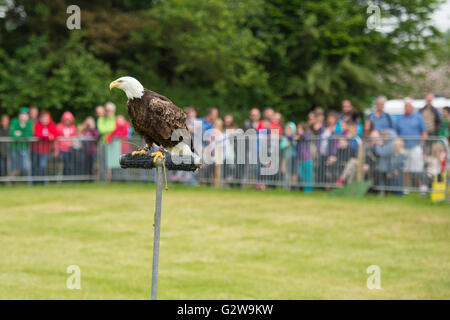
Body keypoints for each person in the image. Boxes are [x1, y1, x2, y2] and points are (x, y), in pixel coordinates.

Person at [395, 98, 427, 194]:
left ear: (412, 107)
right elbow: (397, 134)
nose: (407, 108)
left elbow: (424, 132)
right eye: (405, 106)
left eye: (409, 106)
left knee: (418, 168)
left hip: (415, 146)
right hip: (404, 147)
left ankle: (422, 187)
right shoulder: (400, 118)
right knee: (405, 168)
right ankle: (405, 189)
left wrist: (422, 144)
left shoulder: (418, 117)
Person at [31, 111, 56, 180]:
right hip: (36, 150)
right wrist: (48, 136)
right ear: (40, 119)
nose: (45, 120)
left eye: (46, 119)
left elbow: (55, 134)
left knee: (43, 165)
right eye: (44, 118)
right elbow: (37, 134)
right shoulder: (37, 125)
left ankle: (44, 181)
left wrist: (49, 136)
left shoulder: (52, 125)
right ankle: (35, 181)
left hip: (45, 150)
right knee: (35, 166)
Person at [9, 107, 33, 179]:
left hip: (24, 148)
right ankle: (11, 183)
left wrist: (20, 133)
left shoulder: (29, 123)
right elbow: (13, 134)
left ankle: (27, 182)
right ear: (19, 115)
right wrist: (23, 134)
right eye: (22, 114)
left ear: (28, 116)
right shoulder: (14, 121)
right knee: (13, 166)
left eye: (25, 115)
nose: (23, 116)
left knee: (25, 166)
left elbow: (29, 135)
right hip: (14, 148)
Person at [97, 102, 117, 182]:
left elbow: (112, 128)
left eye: (110, 110)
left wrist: (109, 129)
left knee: (113, 163)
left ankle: (112, 179)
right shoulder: (102, 119)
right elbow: (101, 130)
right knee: (103, 163)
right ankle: (103, 179)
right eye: (107, 110)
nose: (109, 112)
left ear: (114, 111)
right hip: (103, 144)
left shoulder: (116, 119)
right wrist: (111, 129)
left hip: (113, 144)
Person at [55, 111, 76, 176]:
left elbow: (75, 137)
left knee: (69, 163)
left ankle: (69, 177)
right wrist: (56, 150)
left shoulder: (73, 128)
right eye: (66, 120)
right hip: (62, 149)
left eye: (69, 120)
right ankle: (66, 177)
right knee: (65, 163)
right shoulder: (59, 127)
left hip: (71, 149)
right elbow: (56, 140)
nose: (67, 121)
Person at [295, 123, 314, 192]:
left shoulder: (307, 134)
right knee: (302, 176)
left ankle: (309, 190)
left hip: (307, 158)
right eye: (298, 128)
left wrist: (299, 135)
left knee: (308, 175)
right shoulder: (298, 136)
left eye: (300, 128)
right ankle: (305, 189)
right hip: (299, 159)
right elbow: (290, 137)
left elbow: (305, 135)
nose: (298, 130)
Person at [280, 122, 297, 187]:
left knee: (294, 173)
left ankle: (293, 187)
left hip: (293, 157)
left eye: (290, 129)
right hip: (285, 157)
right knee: (285, 172)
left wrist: (292, 140)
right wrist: (288, 143)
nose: (288, 130)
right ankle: (287, 186)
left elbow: (295, 144)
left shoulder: (295, 137)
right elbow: (282, 146)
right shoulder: (284, 138)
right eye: (287, 129)